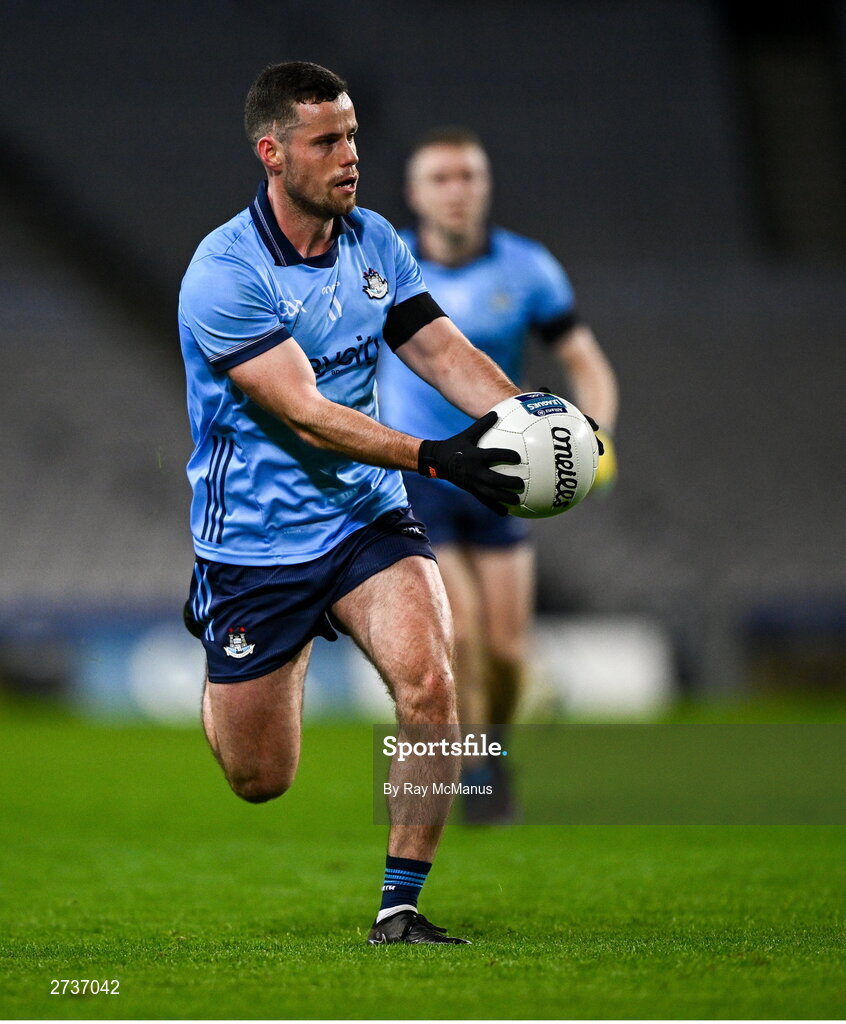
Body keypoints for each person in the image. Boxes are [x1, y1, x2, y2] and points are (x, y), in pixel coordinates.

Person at [177, 61, 552, 946]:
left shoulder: (373, 239)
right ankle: (254, 646)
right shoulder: (223, 273)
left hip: (364, 516)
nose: (351, 155)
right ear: (273, 154)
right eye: (327, 140)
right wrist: (439, 457)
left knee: (431, 680)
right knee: (259, 777)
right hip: (258, 544)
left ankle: (399, 906)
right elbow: (306, 413)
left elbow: (439, 349)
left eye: (352, 134)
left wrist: (529, 424)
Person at [377, 127, 619, 823]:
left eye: (469, 176)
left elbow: (586, 364)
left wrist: (591, 438)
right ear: (414, 194)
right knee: (460, 635)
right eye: (441, 178)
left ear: (485, 185)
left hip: (509, 475)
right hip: (423, 471)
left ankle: (492, 753)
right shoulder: (383, 265)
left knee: (510, 655)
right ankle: (473, 774)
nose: (457, 190)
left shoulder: (528, 268)